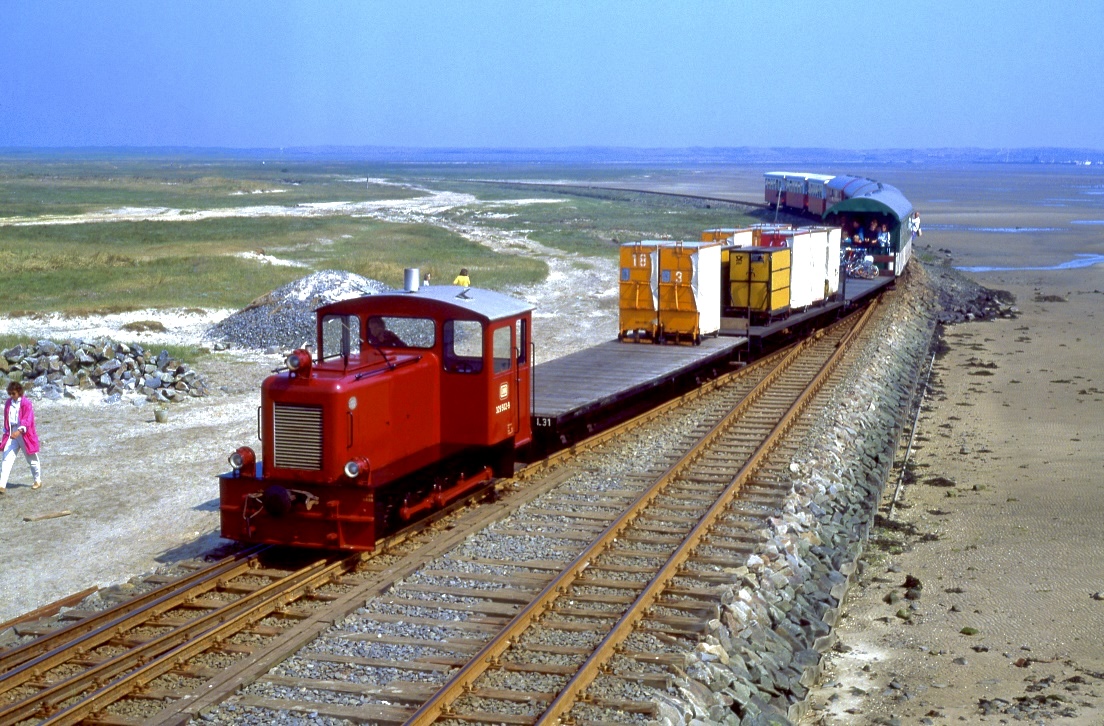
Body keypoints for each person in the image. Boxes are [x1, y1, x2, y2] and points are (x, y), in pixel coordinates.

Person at [0, 381, 41, 494]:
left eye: (13, 393)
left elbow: (28, 419)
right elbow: (6, 419)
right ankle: (2, 485)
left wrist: (19, 431)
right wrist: (7, 433)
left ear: (19, 392)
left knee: (31, 459)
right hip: (12, 433)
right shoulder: (8, 403)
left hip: (24, 434)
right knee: (6, 458)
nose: (11, 395)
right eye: (10, 393)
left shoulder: (26, 403)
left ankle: (37, 480)